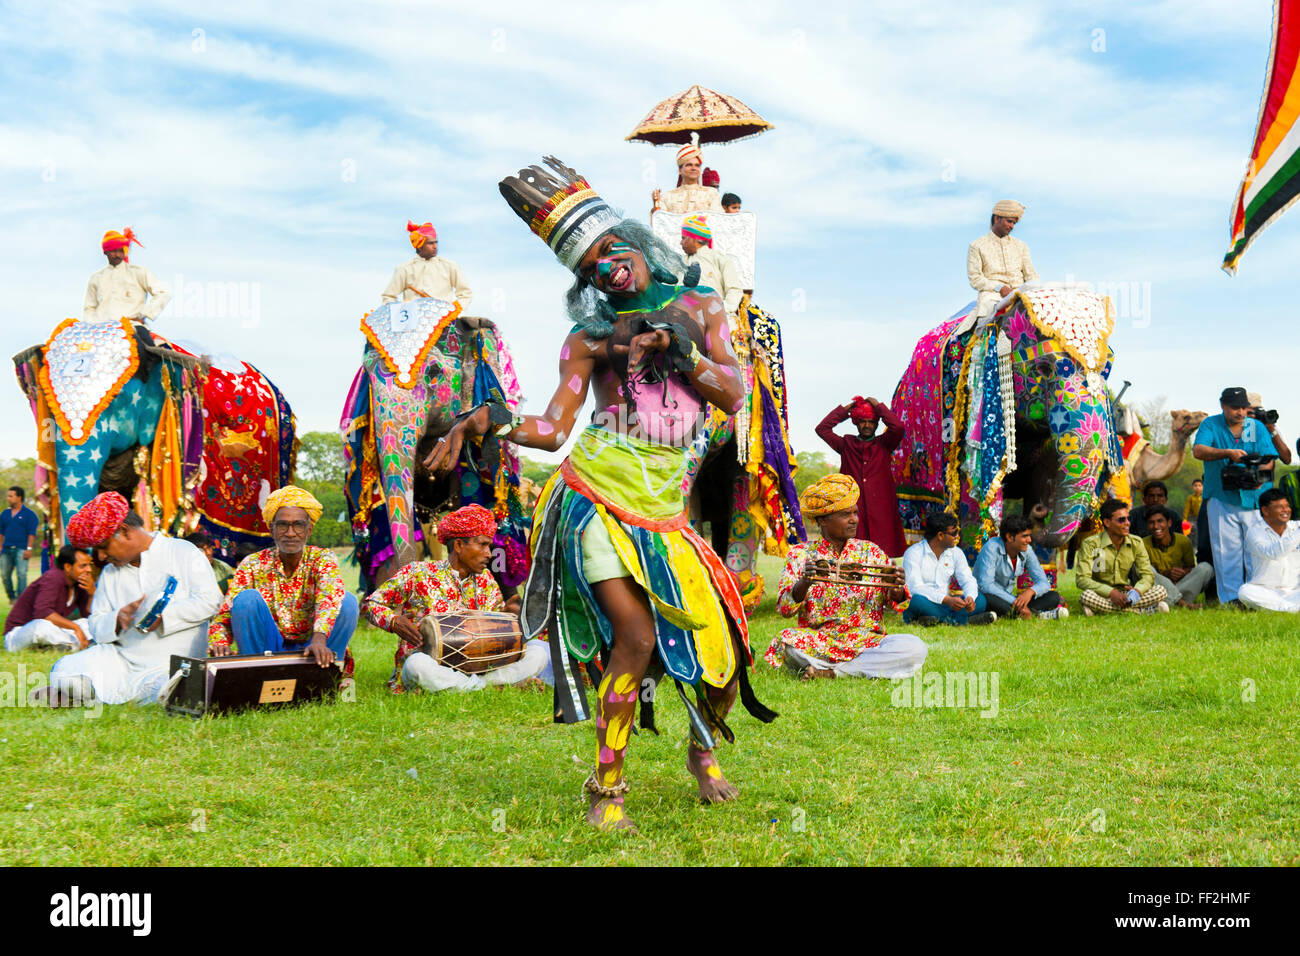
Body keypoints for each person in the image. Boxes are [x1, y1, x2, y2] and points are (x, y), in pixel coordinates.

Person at [430, 155, 776, 832]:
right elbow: (554, 427)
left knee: (727, 651)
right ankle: (606, 784)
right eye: (588, 265)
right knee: (635, 636)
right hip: (597, 493)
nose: (606, 266)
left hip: (668, 508)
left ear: (637, 244)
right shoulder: (588, 339)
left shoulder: (701, 306)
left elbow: (734, 395)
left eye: (611, 249)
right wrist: (488, 419)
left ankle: (701, 752)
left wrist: (684, 353)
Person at [35, 492, 221, 705]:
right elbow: (95, 624)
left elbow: (211, 601)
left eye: (103, 548)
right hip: (122, 661)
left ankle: (85, 694)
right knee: (66, 667)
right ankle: (82, 689)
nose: (102, 557)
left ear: (124, 532)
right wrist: (117, 619)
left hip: (171, 663)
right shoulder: (110, 573)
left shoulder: (182, 552)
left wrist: (163, 616)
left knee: (170, 686)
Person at [364, 503, 547, 693]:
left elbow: (498, 637)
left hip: (479, 668)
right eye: (483, 544)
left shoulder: (487, 581)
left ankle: (476, 687)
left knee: (538, 654)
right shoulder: (418, 573)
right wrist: (393, 621)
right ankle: (494, 686)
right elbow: (370, 605)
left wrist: (514, 624)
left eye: (490, 546)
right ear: (459, 545)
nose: (489, 554)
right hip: (430, 664)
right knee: (416, 666)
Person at [766, 475, 927, 679]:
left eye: (855, 513)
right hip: (822, 642)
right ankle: (863, 669)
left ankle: (833, 673)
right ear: (823, 519)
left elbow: (897, 604)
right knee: (787, 642)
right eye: (845, 514)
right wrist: (805, 582)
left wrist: (896, 588)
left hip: (867, 642)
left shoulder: (871, 552)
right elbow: (785, 609)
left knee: (915, 647)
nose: (854, 520)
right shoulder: (800, 555)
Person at [206, 486, 358, 669]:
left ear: (309, 530)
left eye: (298, 525)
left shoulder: (322, 558)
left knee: (348, 602)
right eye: (283, 525)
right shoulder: (252, 563)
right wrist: (220, 643)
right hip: (268, 649)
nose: (291, 533)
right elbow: (224, 616)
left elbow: (329, 598)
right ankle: (256, 673)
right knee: (246, 600)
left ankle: (327, 672)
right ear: (272, 529)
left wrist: (319, 639)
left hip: (315, 647)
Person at [1192, 386, 1292, 606]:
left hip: (1255, 499)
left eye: (1244, 408)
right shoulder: (1211, 424)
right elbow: (1198, 450)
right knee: (1226, 552)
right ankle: (1231, 599)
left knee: (1256, 551)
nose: (1240, 412)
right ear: (1223, 406)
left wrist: (1259, 476)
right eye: (1234, 407)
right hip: (1221, 496)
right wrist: (1228, 453)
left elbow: (1271, 457)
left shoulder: (1256, 426)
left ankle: (1256, 596)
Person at [815, 397, 906, 557]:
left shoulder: (884, 443)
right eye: (862, 421)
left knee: (882, 555)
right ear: (856, 422)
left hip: (881, 508)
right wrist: (845, 410)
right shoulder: (846, 444)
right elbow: (822, 429)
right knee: (853, 554)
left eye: (871, 421)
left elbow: (897, 427)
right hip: (854, 509)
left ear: (877, 424)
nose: (867, 425)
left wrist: (879, 407)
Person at [1076, 498, 1169, 615]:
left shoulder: (1136, 542)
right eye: (1121, 520)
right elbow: (1082, 580)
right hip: (1101, 594)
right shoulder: (1091, 544)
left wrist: (1137, 591)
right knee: (1087, 596)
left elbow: (1147, 575)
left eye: (1128, 518)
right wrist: (1111, 592)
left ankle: (1103, 610)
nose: (1127, 523)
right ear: (1107, 523)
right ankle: (1143, 610)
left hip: (1126, 595)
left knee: (1161, 590)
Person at [902, 512, 996, 626]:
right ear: (940, 535)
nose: (957, 536)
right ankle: (963, 621)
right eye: (954, 533)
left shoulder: (956, 552)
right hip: (928, 603)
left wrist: (970, 597)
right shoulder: (913, 553)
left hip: (947, 606)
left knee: (980, 600)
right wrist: (946, 599)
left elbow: (967, 579)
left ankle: (935, 620)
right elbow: (914, 588)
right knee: (916, 601)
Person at [974, 514, 1067, 620]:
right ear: (1009, 537)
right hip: (989, 597)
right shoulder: (991, 548)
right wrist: (1015, 601)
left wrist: (1030, 592)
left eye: (1029, 535)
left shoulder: (1026, 550)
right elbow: (986, 586)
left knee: (1053, 596)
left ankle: (1023, 613)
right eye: (1024, 536)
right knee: (990, 600)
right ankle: (1038, 615)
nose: (1029, 540)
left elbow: (1044, 583)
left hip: (1009, 600)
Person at [3, 546, 94, 651]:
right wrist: (75, 628)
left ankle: (64, 645)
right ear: (68, 567)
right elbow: (42, 612)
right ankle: (79, 644)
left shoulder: (78, 583)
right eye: (83, 566)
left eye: (89, 565)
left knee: (88, 623)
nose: (89, 570)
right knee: (41, 627)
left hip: (53, 630)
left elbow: (88, 614)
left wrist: (92, 593)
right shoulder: (52, 578)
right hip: (19, 634)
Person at [967, 200, 1039, 320]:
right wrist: (1000, 288)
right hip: (993, 296)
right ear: (996, 219)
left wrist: (1037, 288)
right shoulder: (977, 246)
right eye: (1009, 221)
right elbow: (975, 279)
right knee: (990, 318)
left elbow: (1031, 274)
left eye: (1014, 223)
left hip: (1021, 293)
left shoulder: (1021, 246)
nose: (1012, 226)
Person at [83, 228, 171, 323]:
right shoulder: (96, 278)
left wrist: (143, 315)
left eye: (121, 251)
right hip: (102, 331)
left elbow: (163, 293)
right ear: (106, 252)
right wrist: (93, 324)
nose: (117, 255)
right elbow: (89, 308)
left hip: (132, 327)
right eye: (113, 251)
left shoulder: (139, 272)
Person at [380, 220, 473, 306]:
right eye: (430, 243)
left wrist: (453, 311)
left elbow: (465, 293)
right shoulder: (404, 269)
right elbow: (388, 297)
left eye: (436, 242)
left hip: (446, 319)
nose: (435, 246)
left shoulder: (450, 266)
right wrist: (401, 312)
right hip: (412, 320)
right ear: (419, 246)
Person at [1238, 488, 1300, 612]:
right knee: (1244, 591)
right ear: (1265, 510)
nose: (1286, 510)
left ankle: (1285, 608)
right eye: (1279, 507)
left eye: (1287, 506)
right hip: (1266, 591)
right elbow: (1274, 553)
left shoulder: (1296, 527)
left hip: (1295, 591)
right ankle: (1291, 609)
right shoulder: (1255, 532)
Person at [1142, 507, 1213, 609]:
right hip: (1158, 589)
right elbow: (1148, 575)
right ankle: (1182, 604)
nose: (1156, 526)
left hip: (1179, 586)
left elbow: (1191, 568)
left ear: (1169, 523)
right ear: (1148, 526)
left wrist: (1182, 573)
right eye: (1151, 523)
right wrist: (1166, 574)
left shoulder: (1183, 541)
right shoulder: (1142, 544)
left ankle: (1172, 602)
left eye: (1160, 521)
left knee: (1206, 568)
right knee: (1147, 569)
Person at [679, 215, 743, 314]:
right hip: (685, 316)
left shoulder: (720, 259)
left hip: (718, 316)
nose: (680, 242)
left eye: (683, 238)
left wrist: (719, 309)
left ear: (695, 238)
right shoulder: (680, 262)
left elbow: (734, 290)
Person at [652, 138, 724, 214]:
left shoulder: (711, 193)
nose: (694, 168)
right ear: (680, 170)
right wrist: (656, 205)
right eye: (689, 165)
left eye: (697, 165)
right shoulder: (667, 197)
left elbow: (717, 220)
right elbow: (660, 222)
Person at [0, 486, 40, 601]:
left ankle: (20, 600)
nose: (8, 498)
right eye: (8, 496)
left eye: (11, 496)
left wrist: (29, 549)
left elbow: (31, 534)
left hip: (21, 549)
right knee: (4, 576)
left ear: (19, 497)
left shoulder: (30, 514)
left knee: (21, 575)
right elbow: (1, 532)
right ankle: (12, 597)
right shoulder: (5, 514)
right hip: (6, 550)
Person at [1183, 477, 1203, 544]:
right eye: (1195, 485)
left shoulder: (1204, 497)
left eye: (1199, 485)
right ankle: (1192, 547)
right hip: (1193, 518)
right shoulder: (1190, 498)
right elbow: (1186, 509)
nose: (1197, 487)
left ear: (1203, 487)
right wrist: (1185, 519)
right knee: (1191, 532)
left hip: (1204, 518)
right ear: (1193, 487)